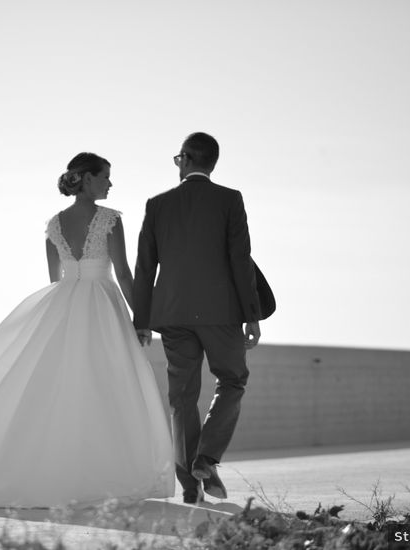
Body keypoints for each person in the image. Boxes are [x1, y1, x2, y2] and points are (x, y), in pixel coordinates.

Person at [0, 152, 174, 508]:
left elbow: (54, 278)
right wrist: (142, 320)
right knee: (105, 388)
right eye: (105, 176)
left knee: (57, 391)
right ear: (86, 179)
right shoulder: (110, 220)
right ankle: (95, 476)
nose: (110, 183)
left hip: (63, 308)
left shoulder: (54, 225)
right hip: (102, 308)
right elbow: (124, 274)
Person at [132, 132, 261, 505]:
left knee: (182, 398)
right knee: (233, 379)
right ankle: (206, 457)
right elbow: (241, 259)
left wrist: (142, 318)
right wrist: (251, 314)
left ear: (186, 159)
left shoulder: (157, 204)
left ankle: (191, 488)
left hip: (172, 314)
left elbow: (145, 266)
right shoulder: (229, 200)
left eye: (177, 159)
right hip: (221, 313)